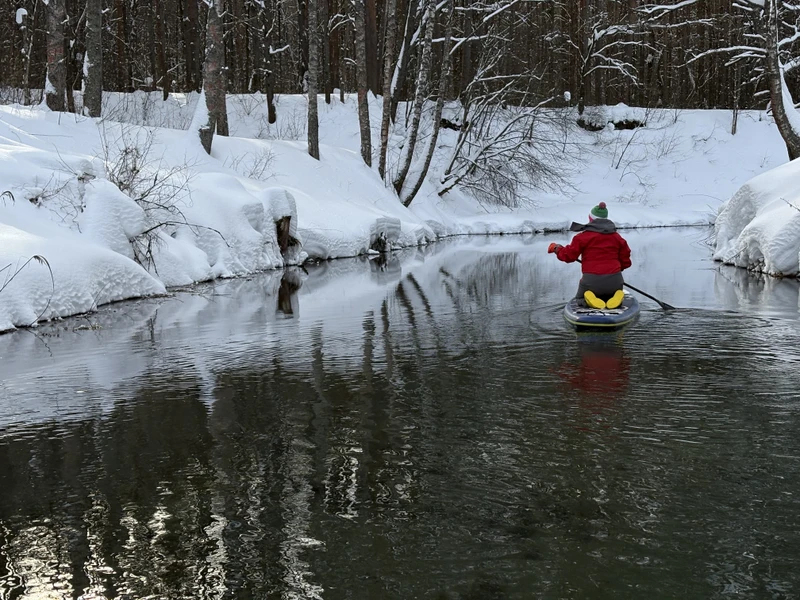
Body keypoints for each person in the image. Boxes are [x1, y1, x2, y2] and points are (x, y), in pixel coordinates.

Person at [547, 202, 631, 309]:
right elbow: (626, 261)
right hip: (615, 280)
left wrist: (557, 248)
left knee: (580, 299)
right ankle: (616, 297)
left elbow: (569, 256)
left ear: (591, 219)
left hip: (591, 282)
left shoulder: (582, 237)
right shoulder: (617, 238)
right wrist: (615, 270)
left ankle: (588, 300)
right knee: (612, 291)